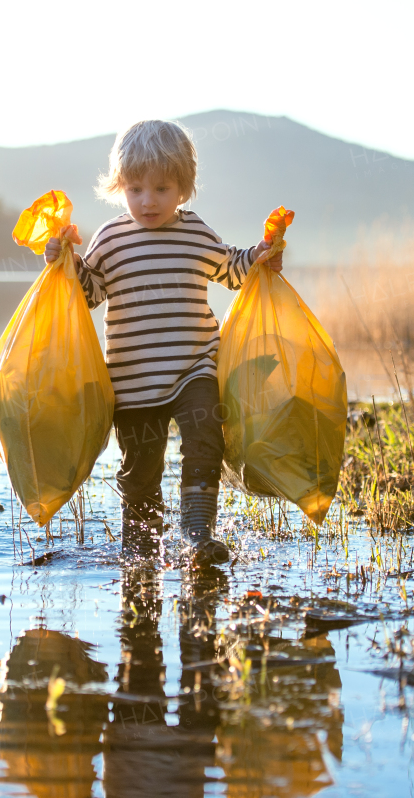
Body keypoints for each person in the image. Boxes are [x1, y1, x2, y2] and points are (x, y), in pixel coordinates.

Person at [43, 119, 282, 564]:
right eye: (135, 189)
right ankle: (141, 551)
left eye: (161, 188)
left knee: (206, 435)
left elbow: (232, 269)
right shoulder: (112, 239)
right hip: (133, 381)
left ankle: (196, 531)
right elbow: (90, 293)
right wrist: (65, 262)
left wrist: (263, 254)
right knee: (140, 473)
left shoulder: (195, 233)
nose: (147, 201)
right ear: (120, 188)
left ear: (184, 189)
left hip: (194, 367)